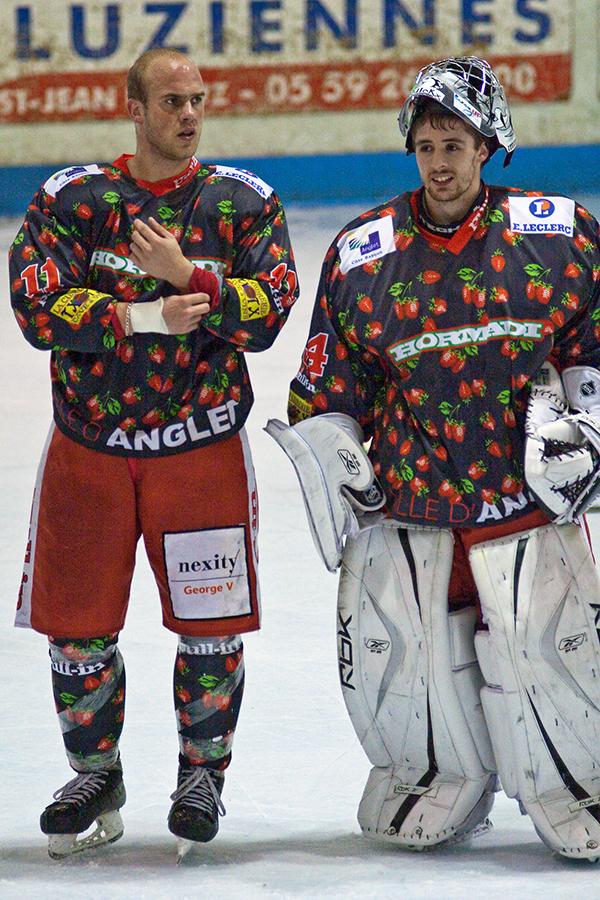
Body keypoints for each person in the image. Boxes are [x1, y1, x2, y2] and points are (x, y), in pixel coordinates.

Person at [268, 56, 600, 859]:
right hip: (416, 510)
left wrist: (589, 423)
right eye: (426, 146)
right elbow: (327, 385)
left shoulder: (559, 236)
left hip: (525, 504)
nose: (440, 163)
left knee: (549, 655)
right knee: (414, 666)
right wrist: (334, 450)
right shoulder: (363, 255)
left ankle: (577, 781)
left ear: (487, 146)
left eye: (455, 144)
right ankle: (436, 776)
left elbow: (591, 347)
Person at [10, 47, 298, 859]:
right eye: (172, 101)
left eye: (198, 99)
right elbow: (35, 307)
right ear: (133, 107)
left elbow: (271, 311)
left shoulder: (244, 202)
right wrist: (143, 314)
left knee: (211, 630)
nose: (189, 114)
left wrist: (189, 278)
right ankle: (94, 775)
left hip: (199, 452)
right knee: (77, 634)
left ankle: (201, 779)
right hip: (89, 451)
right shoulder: (72, 199)